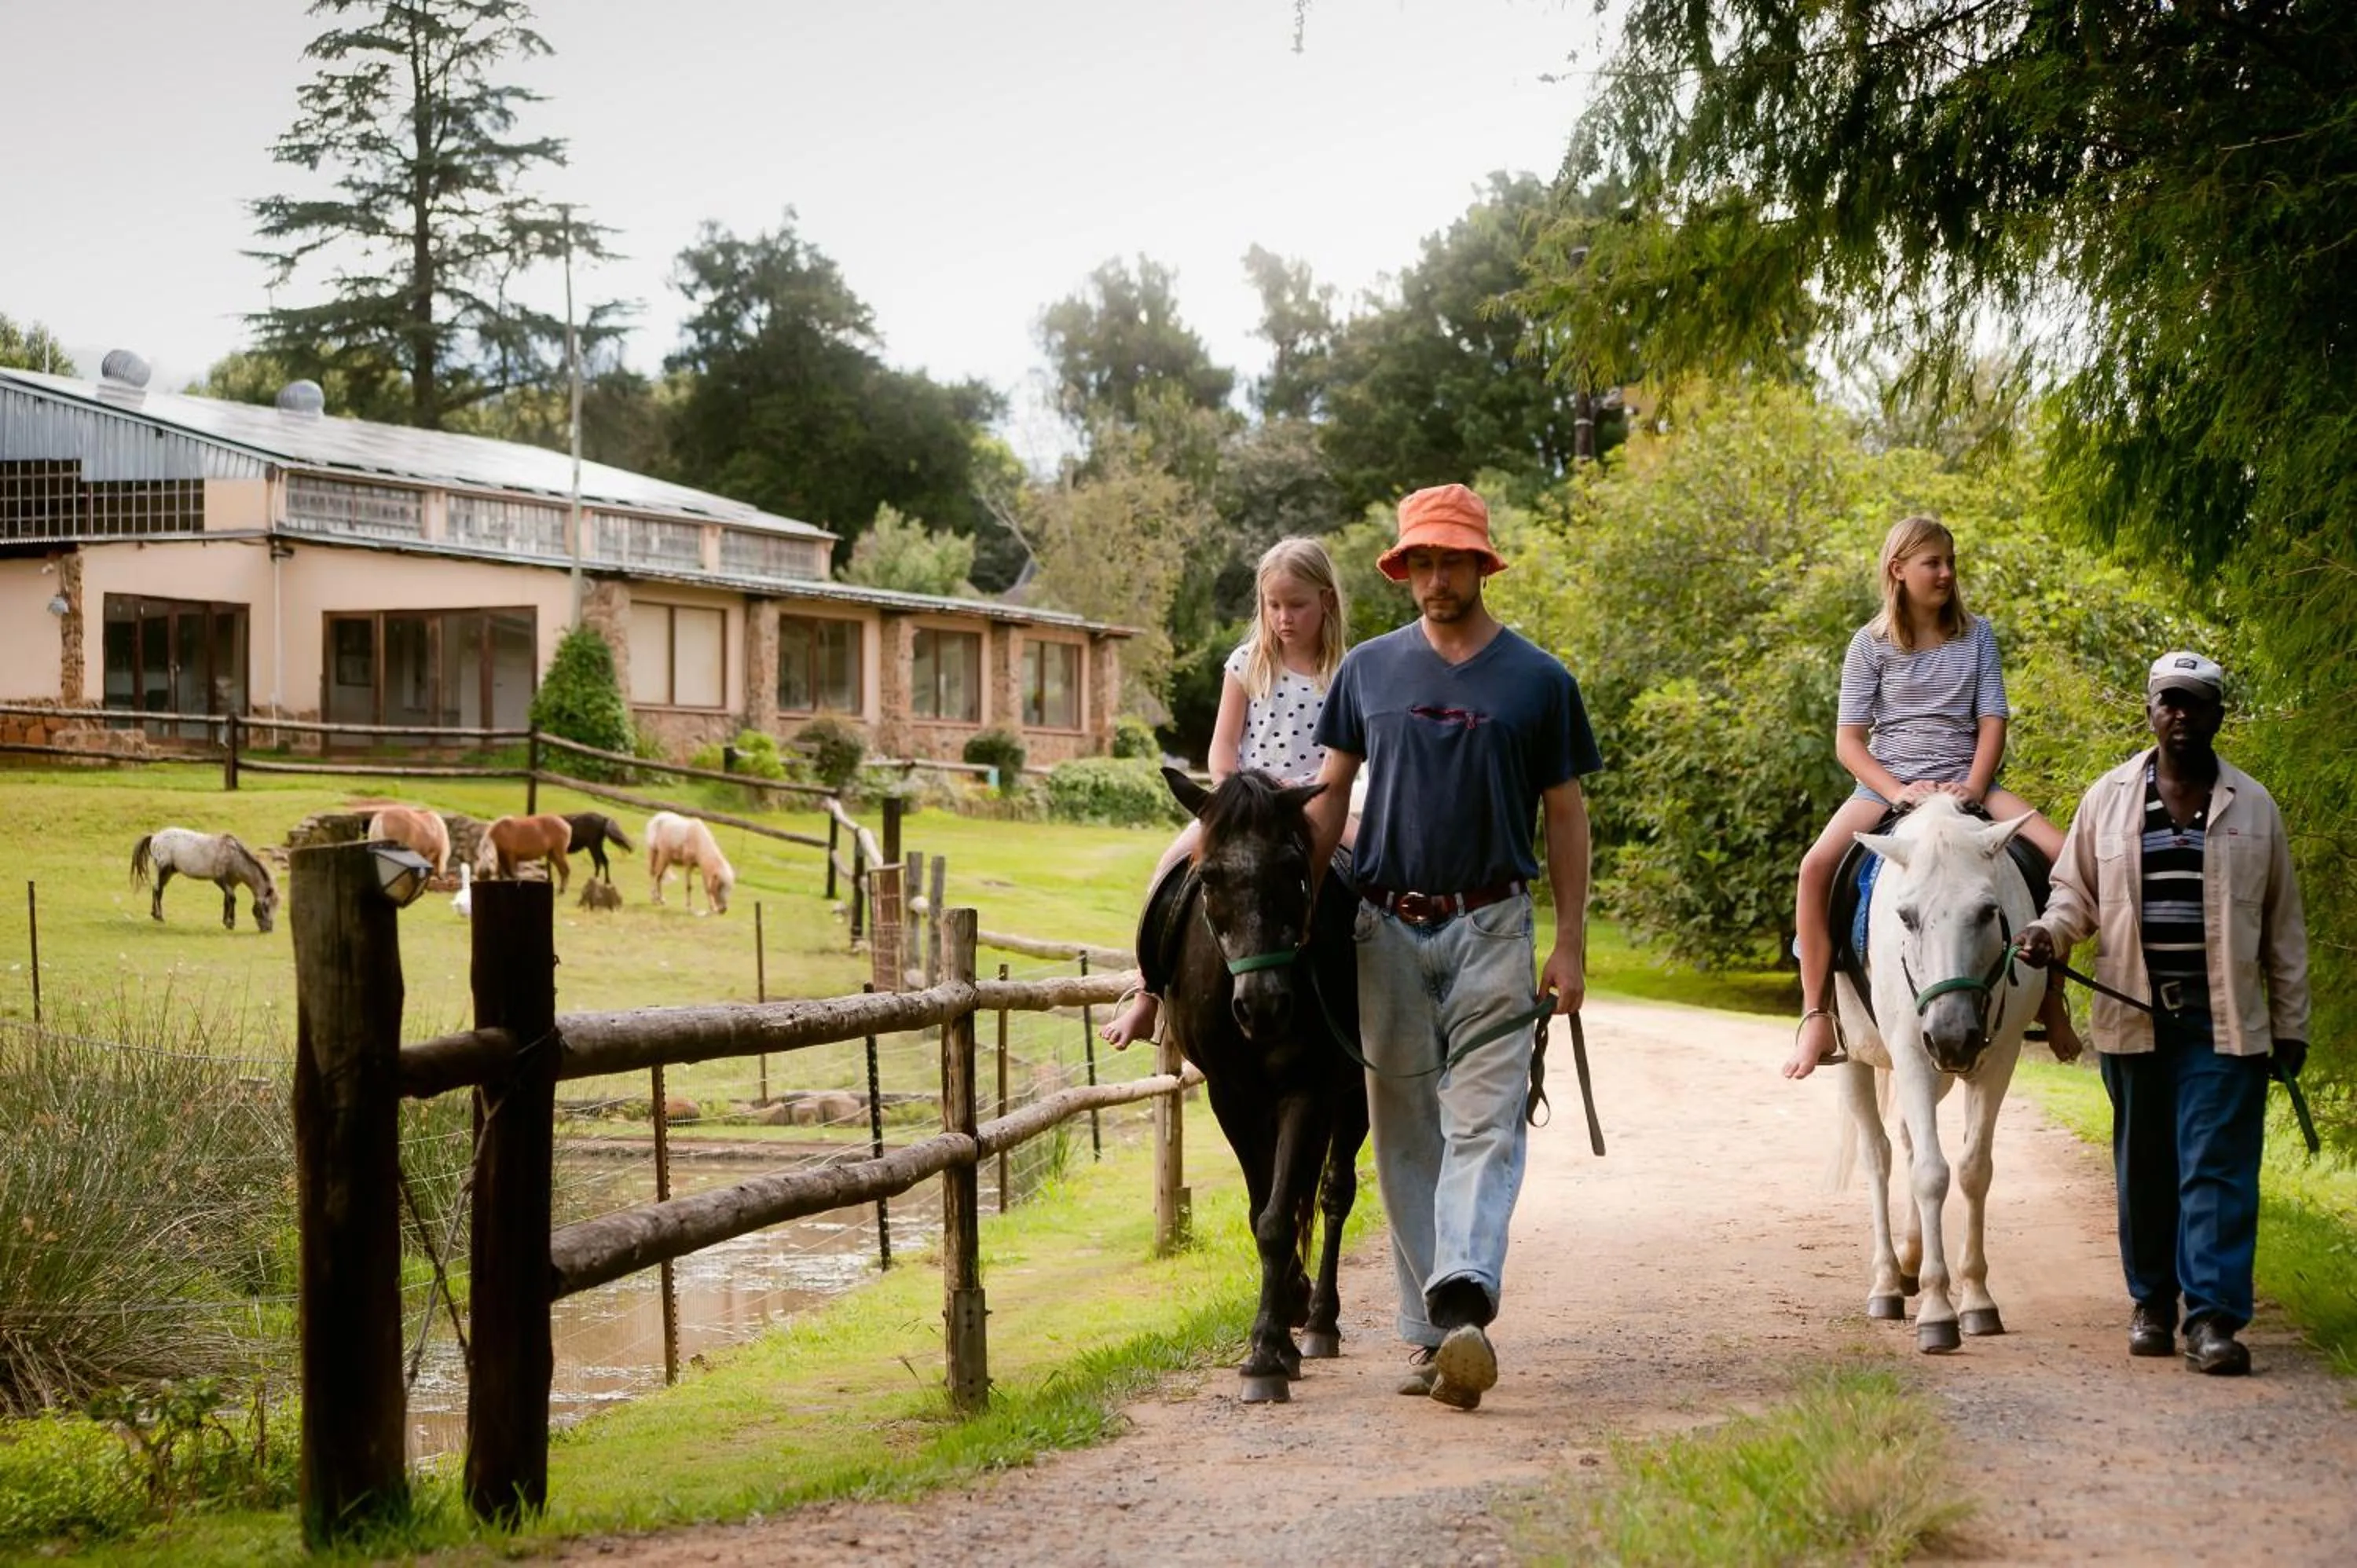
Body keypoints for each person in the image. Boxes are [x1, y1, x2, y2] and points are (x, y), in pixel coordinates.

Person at [1303, 482, 1601, 1412]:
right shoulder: (1367, 672)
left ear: (1482, 564)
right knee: (1403, 1135)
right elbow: (1329, 795)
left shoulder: (1540, 680)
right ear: (1403, 570)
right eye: (1421, 563)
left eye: (1452, 562)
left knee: (1485, 1121)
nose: (1437, 579)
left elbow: (1566, 815)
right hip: (1383, 928)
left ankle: (1464, 1294)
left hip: (1493, 926)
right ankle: (1438, 1337)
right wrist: (1299, 911)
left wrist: (1570, 945)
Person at [2014, 652, 2308, 1376]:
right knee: (2144, 1167)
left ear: (2217, 714)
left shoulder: (2254, 806)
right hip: (2134, 1016)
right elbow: (2074, 895)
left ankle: (2212, 1320)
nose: (2180, 713)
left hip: (2223, 1022)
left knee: (2216, 1170)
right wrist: (2049, 932)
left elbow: (2284, 930)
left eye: (2195, 701)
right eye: (2168, 701)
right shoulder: (2108, 799)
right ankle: (2151, 1302)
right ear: (2150, 711)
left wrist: (2291, 1026)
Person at [1785, 515, 2082, 1078]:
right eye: (1933, 563)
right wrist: (1897, 791)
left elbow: (1992, 721)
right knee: (1815, 868)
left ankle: (2051, 998)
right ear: (1898, 570)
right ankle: (1816, 1015)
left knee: (2066, 858)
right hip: (1888, 787)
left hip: (1969, 782)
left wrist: (1974, 785)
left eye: (1950, 562)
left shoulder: (1977, 635)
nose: (1946, 573)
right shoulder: (1869, 645)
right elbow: (1849, 743)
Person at [1101, 536, 1351, 1050]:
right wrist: (1230, 794)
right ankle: (1147, 995)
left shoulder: (1344, 674)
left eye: (1297, 605)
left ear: (1326, 600)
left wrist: (1306, 791)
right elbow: (1222, 747)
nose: (1284, 617)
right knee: (1169, 868)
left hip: (1317, 801)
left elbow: (1339, 759)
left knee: (1374, 868)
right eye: (1273, 605)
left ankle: (1390, 992)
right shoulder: (1247, 664)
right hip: (1245, 806)